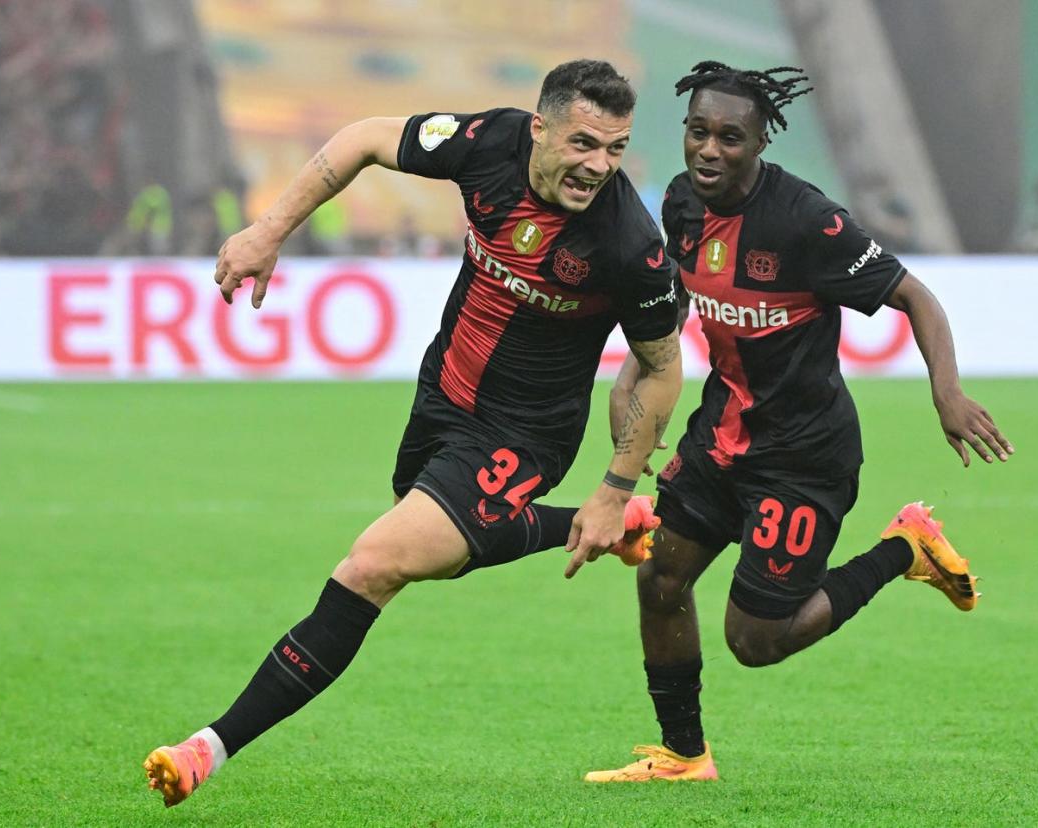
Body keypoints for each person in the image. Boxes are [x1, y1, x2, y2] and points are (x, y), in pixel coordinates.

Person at [141, 59, 684, 807]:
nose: (597, 166)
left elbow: (660, 368)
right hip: (443, 396)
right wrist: (269, 230)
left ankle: (209, 746)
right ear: (539, 128)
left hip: (525, 436)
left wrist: (613, 483)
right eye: (583, 143)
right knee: (440, 548)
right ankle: (607, 531)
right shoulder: (488, 143)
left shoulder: (629, 243)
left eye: (615, 149)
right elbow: (366, 137)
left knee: (375, 564)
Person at [585, 62, 1014, 782]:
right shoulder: (684, 203)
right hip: (720, 437)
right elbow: (684, 296)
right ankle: (685, 756)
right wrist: (638, 369)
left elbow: (916, 295)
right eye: (698, 133)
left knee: (756, 641)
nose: (709, 150)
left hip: (803, 459)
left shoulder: (807, 221)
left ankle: (904, 549)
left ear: (759, 143)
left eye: (730, 137)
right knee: (660, 581)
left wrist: (948, 393)